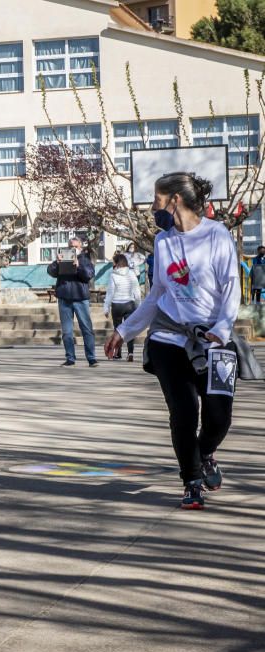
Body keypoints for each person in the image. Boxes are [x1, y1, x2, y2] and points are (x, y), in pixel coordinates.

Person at [106, 172, 240, 510]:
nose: (153, 207)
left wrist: (221, 330)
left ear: (174, 201)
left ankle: (205, 451)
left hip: (213, 338)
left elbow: (231, 287)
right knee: (183, 412)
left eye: (156, 200)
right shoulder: (163, 241)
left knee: (219, 417)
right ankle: (191, 480)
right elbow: (157, 294)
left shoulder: (217, 234)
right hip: (168, 338)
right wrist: (124, 331)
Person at [47, 236, 98, 367]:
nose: (72, 249)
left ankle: (91, 358)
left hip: (80, 298)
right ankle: (70, 358)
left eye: (75, 247)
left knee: (86, 329)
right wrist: (56, 263)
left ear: (80, 247)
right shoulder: (63, 258)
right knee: (67, 331)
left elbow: (88, 275)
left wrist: (78, 265)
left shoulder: (85, 259)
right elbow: (50, 272)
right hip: (64, 298)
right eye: (70, 247)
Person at [103, 253, 142, 362]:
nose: (113, 264)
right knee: (129, 330)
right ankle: (130, 353)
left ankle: (117, 353)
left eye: (113, 262)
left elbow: (110, 293)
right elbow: (137, 291)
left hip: (117, 305)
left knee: (118, 330)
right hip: (129, 304)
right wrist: (138, 306)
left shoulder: (113, 275)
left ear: (116, 263)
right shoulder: (131, 273)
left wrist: (106, 308)